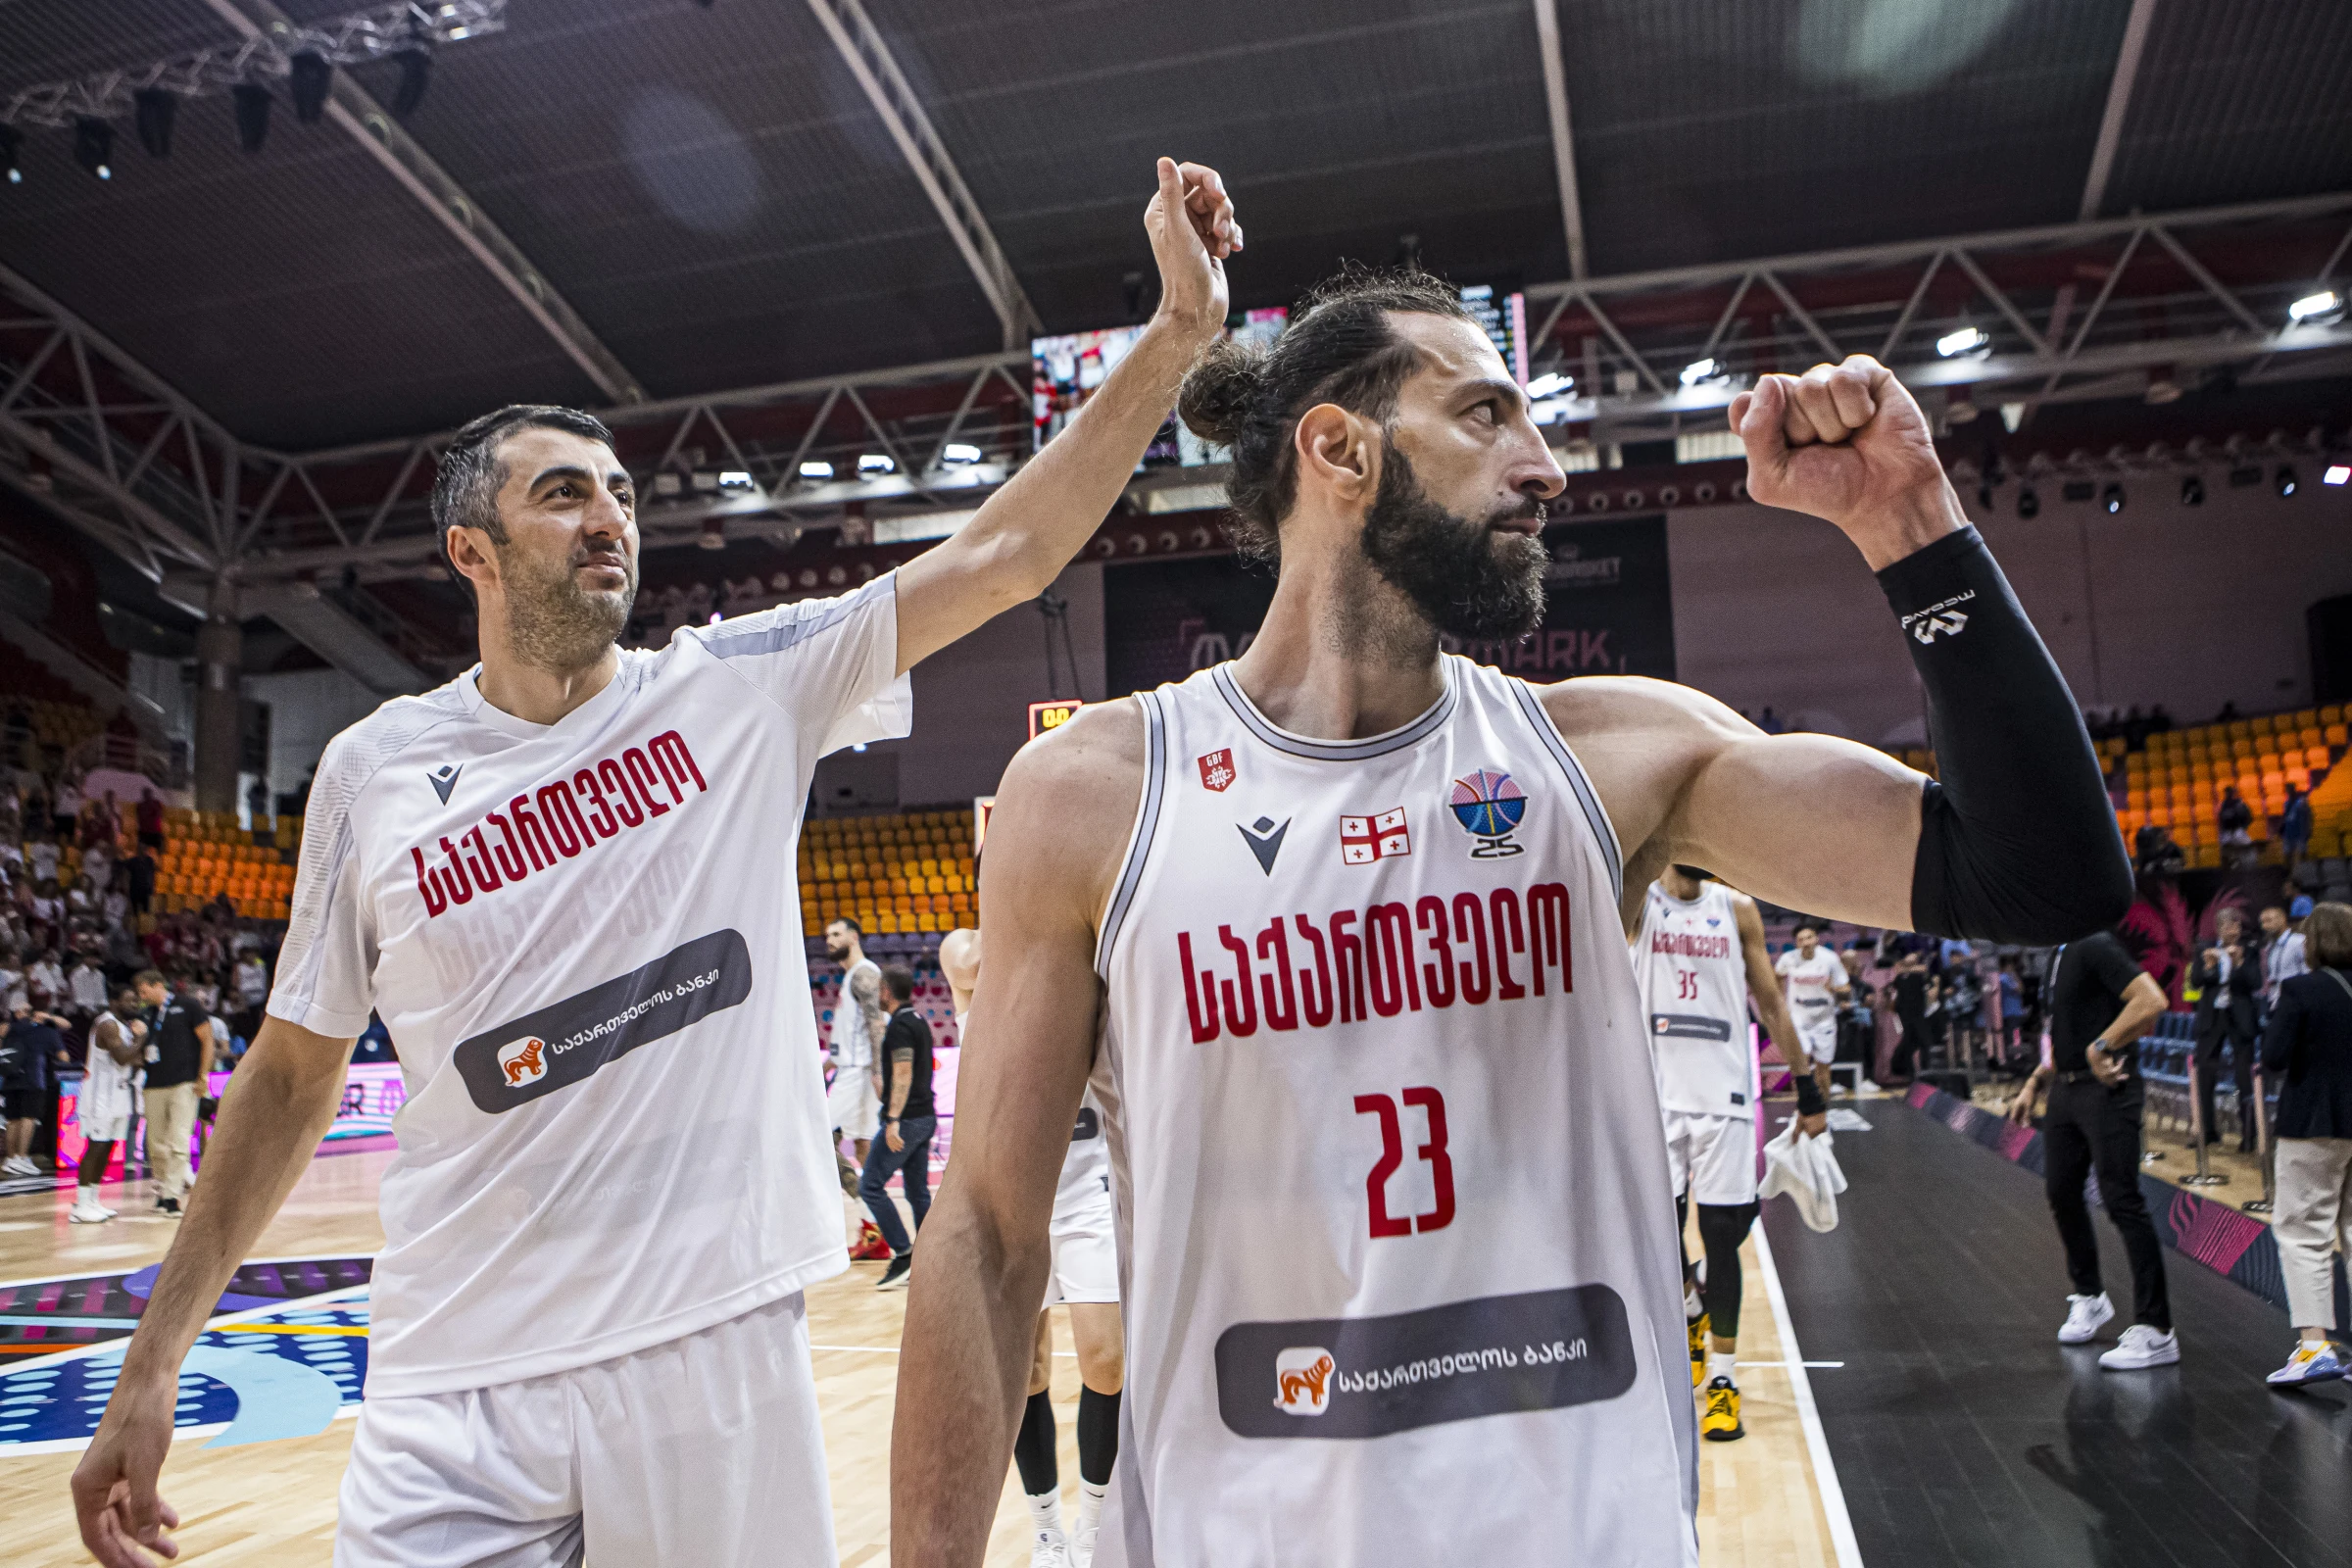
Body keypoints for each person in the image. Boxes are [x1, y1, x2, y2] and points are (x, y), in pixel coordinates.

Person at [69, 159, 1241, 1568]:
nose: (610, 519)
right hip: (453, 1372)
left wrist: (1177, 336)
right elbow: (289, 1076)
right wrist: (148, 1368)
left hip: (706, 1354)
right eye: (564, 496)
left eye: (619, 493)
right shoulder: (375, 770)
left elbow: (1002, 549)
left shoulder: (738, 687)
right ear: (473, 552)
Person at [891, 269, 2129, 1563]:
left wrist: (1914, 522)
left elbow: (2043, 877)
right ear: (1338, 448)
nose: (1545, 470)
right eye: (1488, 416)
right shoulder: (1094, 797)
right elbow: (983, 1234)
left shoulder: (1616, 758)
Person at [942, 927, 1123, 1568]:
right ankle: (1048, 1530)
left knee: (1107, 1358)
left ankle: (1096, 1525)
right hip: (1015, 1195)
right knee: (1030, 1372)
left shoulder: (1088, 947)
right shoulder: (969, 951)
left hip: (1087, 1180)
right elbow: (969, 956)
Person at [1636, 866, 1821, 1444]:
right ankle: (1690, 1308)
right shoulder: (1638, 900)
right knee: (1657, 1239)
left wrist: (1807, 1085)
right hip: (1656, 1096)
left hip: (1726, 1098)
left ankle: (1722, 1381)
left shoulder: (1737, 909)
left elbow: (1769, 1001)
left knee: (1723, 1238)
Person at [2006, 929, 2174, 1368]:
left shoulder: (2094, 945)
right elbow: (2067, 1035)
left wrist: (2104, 1045)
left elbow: (2152, 1000)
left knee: (2122, 1199)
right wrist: (2034, 1083)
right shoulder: (2057, 954)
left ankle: (2157, 1329)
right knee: (2061, 1192)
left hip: (2108, 1089)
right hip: (2065, 1088)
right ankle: (2090, 1296)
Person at [2258, 902, 2352, 1387]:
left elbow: (2273, 1057)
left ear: (2312, 944)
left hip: (2312, 1121)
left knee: (2303, 1232)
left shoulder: (2300, 990)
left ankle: (2315, 1346)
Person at [859, 964, 937, 1291]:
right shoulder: (917, 1021)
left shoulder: (901, 1027)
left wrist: (892, 1119)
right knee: (917, 1192)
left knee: (871, 1186)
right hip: (925, 1116)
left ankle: (904, 1253)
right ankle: (932, 1258)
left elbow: (904, 1073)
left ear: (887, 990)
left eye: (879, 989)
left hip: (906, 1121)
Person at [134, 970, 213, 1215]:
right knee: (155, 1144)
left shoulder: (187, 1005)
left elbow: (207, 1040)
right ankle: (162, 1190)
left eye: (143, 990)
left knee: (178, 1140)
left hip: (184, 1082)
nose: (141, 996)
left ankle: (172, 1197)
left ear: (158, 985)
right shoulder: (145, 1014)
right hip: (153, 1083)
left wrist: (203, 1076)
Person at [71, 988, 147, 1225]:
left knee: (108, 1147)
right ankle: (81, 1205)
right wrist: (141, 1039)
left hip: (118, 1095)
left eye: (136, 999)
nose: (134, 1003)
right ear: (114, 1001)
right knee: (96, 1147)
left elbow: (136, 1059)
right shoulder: (107, 1024)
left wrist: (134, 1046)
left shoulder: (123, 1027)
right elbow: (124, 1058)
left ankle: (93, 1199)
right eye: (129, 999)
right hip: (99, 1097)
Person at [2191, 909, 2264, 1151]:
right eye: (2225, 925)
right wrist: (2211, 966)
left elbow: (2255, 983)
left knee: (2245, 1077)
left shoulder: (2250, 949)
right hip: (2212, 1018)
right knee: (2204, 1075)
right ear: (2218, 927)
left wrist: (2238, 963)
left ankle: (2249, 1136)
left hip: (2240, 1017)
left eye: (2235, 925)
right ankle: (2207, 1131)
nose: (2231, 930)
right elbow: (2197, 981)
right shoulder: (2204, 948)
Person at [824, 915, 887, 1178]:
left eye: (837, 934)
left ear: (854, 937)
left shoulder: (863, 974)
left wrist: (879, 1072)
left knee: (819, 1137)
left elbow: (877, 1025)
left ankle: (862, 1198)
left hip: (858, 1073)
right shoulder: (853, 974)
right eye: (827, 936)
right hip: (852, 1068)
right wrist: (826, 1065)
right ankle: (872, 1211)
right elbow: (851, 1035)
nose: (830, 941)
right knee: (863, 1144)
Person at [1777, 921, 1850, 1103]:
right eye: (1801, 939)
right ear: (1797, 943)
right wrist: (1779, 1000)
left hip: (1824, 1019)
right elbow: (1776, 976)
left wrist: (1833, 989)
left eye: (1809, 937)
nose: (1806, 942)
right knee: (1800, 1067)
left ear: (1816, 939)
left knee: (1823, 1069)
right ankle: (1801, 1108)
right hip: (1798, 1017)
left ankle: (1823, 1108)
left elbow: (1845, 987)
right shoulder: (1788, 959)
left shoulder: (1830, 958)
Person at [2, 998, 68, 1178]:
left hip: (10, 1079)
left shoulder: (10, 1030)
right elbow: (64, 1057)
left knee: (12, 1119)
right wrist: (49, 1019)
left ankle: (11, 1158)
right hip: (33, 1079)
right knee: (28, 1118)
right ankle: (22, 1157)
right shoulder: (46, 1032)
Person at [1886, 949, 1937, 1082]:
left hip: (1919, 1014)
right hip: (1905, 1015)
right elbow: (1893, 991)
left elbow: (1928, 980)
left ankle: (1927, 1073)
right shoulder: (1900, 978)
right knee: (1909, 1044)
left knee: (1925, 1043)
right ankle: (1911, 1074)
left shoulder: (1920, 975)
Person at [2261, 903, 2308, 1012]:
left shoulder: (2298, 941)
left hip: (2295, 1002)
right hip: (2274, 1001)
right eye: (2262, 922)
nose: (2264, 926)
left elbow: (2307, 972)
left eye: (2268, 921)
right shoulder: (2269, 946)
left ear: (2282, 919)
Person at [2218, 785, 2256, 870]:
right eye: (2227, 792)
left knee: (2248, 848)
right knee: (2225, 851)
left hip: (2237, 831)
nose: (2228, 794)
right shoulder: (2224, 804)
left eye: (2230, 792)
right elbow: (2221, 820)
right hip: (2227, 832)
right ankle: (2228, 869)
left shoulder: (2239, 803)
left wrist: (2243, 827)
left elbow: (2249, 817)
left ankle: (2248, 867)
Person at [2280, 784, 2313, 872]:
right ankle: (2288, 872)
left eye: (2290, 789)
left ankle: (2306, 870)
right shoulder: (2286, 803)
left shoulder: (2301, 802)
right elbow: (2285, 817)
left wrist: (2308, 828)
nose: (2288, 792)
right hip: (2288, 832)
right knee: (2287, 853)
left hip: (2300, 831)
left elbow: (2308, 816)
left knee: (2303, 852)